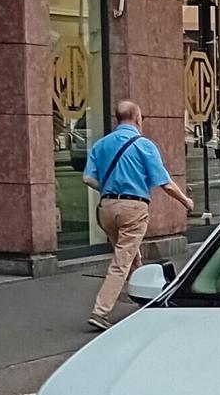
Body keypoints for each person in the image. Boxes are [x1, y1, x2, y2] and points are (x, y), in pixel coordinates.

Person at [82, 99, 193, 331]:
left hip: (106, 209)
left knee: (131, 256)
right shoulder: (144, 145)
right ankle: (100, 311)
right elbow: (165, 183)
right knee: (121, 262)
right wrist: (185, 201)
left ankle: (146, 300)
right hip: (133, 209)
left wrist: (108, 189)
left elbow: (87, 178)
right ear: (137, 118)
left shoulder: (100, 145)